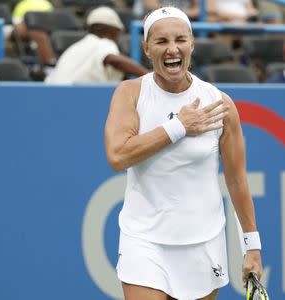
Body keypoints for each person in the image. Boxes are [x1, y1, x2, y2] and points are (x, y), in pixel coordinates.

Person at [104, 6, 263, 300]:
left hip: (204, 241)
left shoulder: (220, 104)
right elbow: (117, 155)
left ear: (191, 44)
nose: (172, 49)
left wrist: (251, 246)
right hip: (144, 240)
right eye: (161, 41)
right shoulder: (130, 93)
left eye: (180, 40)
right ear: (146, 49)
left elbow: (237, 181)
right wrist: (179, 126)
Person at [45, 7, 148, 84]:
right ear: (112, 30)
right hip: (77, 98)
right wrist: (149, 75)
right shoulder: (104, 42)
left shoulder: (75, 47)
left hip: (54, 96)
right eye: (117, 31)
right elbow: (113, 59)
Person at [11, 0, 56, 66]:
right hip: (25, 31)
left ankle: (50, 64)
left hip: (46, 31)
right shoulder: (22, 4)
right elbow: (17, 25)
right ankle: (49, 64)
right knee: (37, 33)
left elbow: (52, 22)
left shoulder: (47, 4)